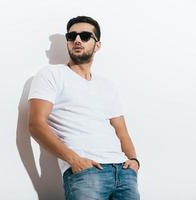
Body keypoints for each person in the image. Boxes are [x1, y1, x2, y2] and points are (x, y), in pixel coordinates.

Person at [27, 16, 140, 200]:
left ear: (97, 45)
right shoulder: (51, 74)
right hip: (86, 171)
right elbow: (36, 125)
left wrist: (134, 161)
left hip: (124, 171)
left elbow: (121, 131)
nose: (77, 40)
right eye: (72, 36)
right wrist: (74, 160)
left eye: (85, 36)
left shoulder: (107, 85)